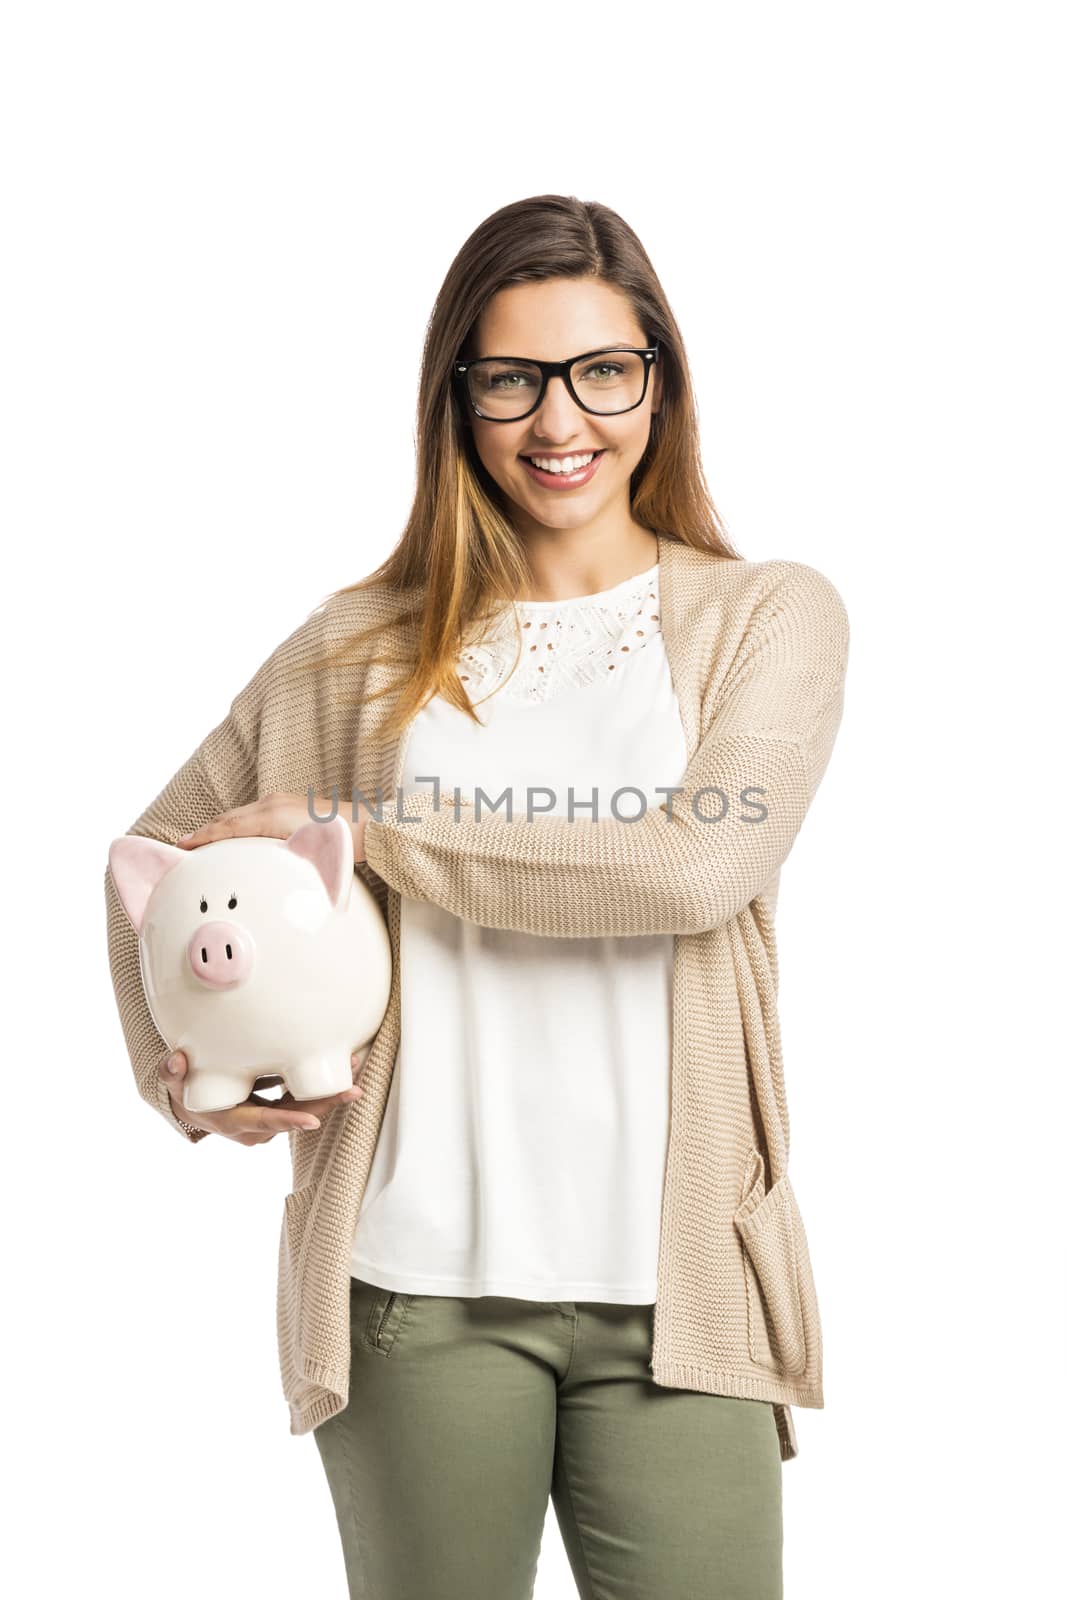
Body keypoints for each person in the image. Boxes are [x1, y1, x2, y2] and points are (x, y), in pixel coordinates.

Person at [105, 194, 849, 1600]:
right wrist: (189, 1068)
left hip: (677, 1293)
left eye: (602, 371)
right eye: (510, 377)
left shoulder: (767, 618)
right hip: (412, 1285)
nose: (559, 420)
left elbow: (699, 863)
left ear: (658, 382)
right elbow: (156, 853)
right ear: (458, 396)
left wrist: (374, 836)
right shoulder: (357, 649)